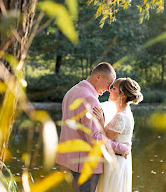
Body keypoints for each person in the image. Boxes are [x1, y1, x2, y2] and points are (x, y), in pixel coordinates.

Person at [56, 62, 131, 192]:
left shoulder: (72, 91)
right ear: (98, 77)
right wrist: (122, 148)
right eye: (108, 84)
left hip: (68, 161)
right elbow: (95, 139)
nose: (108, 89)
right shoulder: (90, 99)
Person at [93, 77, 143, 192]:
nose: (110, 89)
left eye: (114, 88)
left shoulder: (121, 117)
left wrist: (100, 122)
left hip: (114, 163)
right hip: (118, 160)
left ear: (122, 95)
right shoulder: (125, 112)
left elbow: (104, 141)